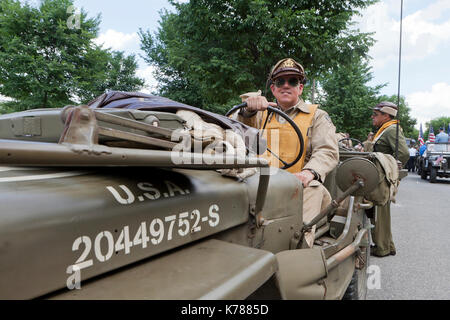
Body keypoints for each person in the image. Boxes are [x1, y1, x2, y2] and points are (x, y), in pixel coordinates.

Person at [236, 58, 339, 247]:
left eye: (292, 81)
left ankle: (297, 251)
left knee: (314, 189)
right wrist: (247, 111)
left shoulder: (317, 116)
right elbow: (239, 136)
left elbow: (326, 150)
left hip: (299, 188)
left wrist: (310, 173)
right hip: (260, 184)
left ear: (300, 88)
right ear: (273, 89)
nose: (286, 85)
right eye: (279, 82)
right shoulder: (259, 114)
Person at [370, 101, 409, 257]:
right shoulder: (384, 130)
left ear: (386, 116)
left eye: (376, 114)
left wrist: (391, 169)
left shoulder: (392, 130)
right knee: (380, 212)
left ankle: (382, 248)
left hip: (382, 177)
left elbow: (404, 153)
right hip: (377, 175)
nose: (372, 117)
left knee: (380, 212)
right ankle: (387, 245)